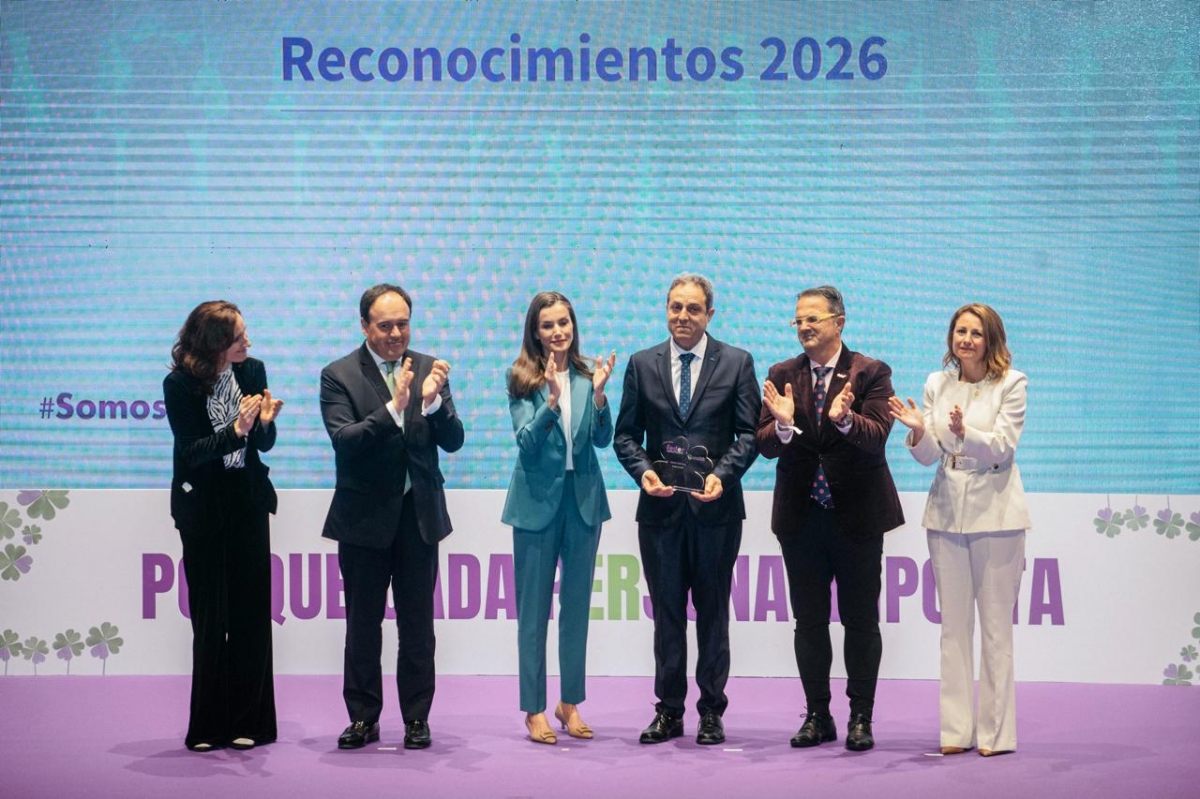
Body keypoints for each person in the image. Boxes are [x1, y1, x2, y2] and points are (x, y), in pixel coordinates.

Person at [755, 285, 903, 752]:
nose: (803, 327)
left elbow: (877, 435)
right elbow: (763, 444)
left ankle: (862, 717)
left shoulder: (871, 372)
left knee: (861, 621)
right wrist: (780, 425)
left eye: (812, 319)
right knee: (809, 621)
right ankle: (818, 715)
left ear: (839, 322)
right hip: (802, 518)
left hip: (856, 516)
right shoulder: (782, 373)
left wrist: (844, 420)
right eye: (797, 320)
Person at [614, 274, 759, 746]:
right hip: (660, 514)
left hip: (716, 511)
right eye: (675, 307)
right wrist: (643, 472)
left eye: (693, 309)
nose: (682, 317)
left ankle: (712, 712)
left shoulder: (737, 363)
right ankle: (669, 710)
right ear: (666, 309)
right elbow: (625, 435)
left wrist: (723, 474)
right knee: (668, 616)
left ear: (709, 314)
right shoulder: (641, 364)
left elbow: (749, 434)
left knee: (714, 613)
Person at [319, 283, 464, 751]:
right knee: (362, 625)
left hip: (418, 518)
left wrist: (434, 403)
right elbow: (346, 439)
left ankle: (417, 718)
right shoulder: (338, 374)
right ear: (365, 326)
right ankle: (363, 718)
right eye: (385, 326)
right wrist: (395, 407)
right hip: (363, 521)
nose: (396, 333)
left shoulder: (427, 367)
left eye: (403, 323)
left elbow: (454, 439)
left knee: (418, 626)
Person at [888, 303, 1030, 757]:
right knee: (953, 626)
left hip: (998, 513)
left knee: (994, 629)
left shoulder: (1012, 383)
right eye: (960, 331)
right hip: (946, 512)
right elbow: (931, 455)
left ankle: (995, 734)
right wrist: (916, 432)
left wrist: (962, 430)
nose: (966, 339)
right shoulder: (937, 383)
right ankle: (955, 732)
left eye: (976, 333)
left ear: (991, 340)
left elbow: (1003, 448)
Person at [163, 300, 284, 752]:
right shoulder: (179, 385)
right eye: (238, 337)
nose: (247, 343)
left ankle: (250, 721)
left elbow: (262, 443)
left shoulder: (253, 371)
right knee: (211, 618)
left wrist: (264, 425)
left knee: (252, 614)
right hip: (203, 507)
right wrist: (237, 429)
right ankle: (208, 726)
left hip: (246, 499)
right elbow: (193, 451)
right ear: (216, 343)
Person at [501, 292, 617, 745]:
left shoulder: (589, 375)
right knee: (533, 614)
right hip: (534, 505)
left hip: (583, 501)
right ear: (535, 331)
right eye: (547, 325)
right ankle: (533, 710)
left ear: (573, 325)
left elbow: (602, 440)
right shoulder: (521, 379)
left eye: (564, 322)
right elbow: (526, 443)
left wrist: (603, 395)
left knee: (576, 611)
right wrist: (551, 401)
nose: (557, 332)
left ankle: (570, 703)